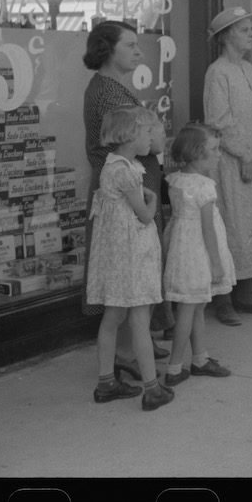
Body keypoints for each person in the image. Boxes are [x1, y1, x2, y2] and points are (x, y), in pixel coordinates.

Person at [81, 20, 169, 371]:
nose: (138, 51)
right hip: (128, 197)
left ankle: (135, 347)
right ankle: (127, 355)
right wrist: (157, 132)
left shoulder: (110, 86)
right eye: (130, 45)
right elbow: (156, 139)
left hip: (129, 190)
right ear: (107, 49)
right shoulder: (109, 92)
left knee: (132, 276)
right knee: (130, 277)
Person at [86, 105, 172, 411]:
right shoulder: (126, 172)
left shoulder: (112, 168)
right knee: (139, 318)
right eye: (146, 132)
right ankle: (152, 387)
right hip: (132, 256)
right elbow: (145, 216)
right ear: (130, 136)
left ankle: (106, 380)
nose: (151, 138)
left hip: (116, 258)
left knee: (113, 317)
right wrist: (150, 198)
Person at [203, 6, 252, 326]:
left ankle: (248, 294)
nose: (251, 35)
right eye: (244, 30)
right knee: (231, 225)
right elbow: (218, 122)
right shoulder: (217, 72)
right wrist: (243, 154)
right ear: (226, 37)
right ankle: (224, 300)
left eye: (251, 29)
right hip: (233, 161)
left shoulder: (247, 69)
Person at [161, 123, 235, 386]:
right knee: (189, 310)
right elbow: (207, 229)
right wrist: (216, 263)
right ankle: (174, 367)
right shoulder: (204, 186)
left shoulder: (177, 180)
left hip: (184, 250)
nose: (218, 154)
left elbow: (176, 220)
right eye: (214, 149)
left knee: (195, 306)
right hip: (199, 254)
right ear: (197, 152)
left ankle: (200, 358)